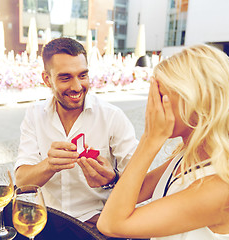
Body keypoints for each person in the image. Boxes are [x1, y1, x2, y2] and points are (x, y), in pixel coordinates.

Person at [97, 44, 229, 240]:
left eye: (160, 97)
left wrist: (149, 140)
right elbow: (139, 190)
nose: (152, 107)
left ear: (197, 101)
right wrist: (112, 178)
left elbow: (110, 224)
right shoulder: (189, 154)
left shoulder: (221, 187)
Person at [14, 37, 138, 227]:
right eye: (65, 77)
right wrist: (50, 165)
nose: (77, 87)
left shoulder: (112, 116)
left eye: (83, 75)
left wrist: (113, 178)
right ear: (47, 79)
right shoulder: (34, 115)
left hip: (97, 221)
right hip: (49, 220)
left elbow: (139, 180)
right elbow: (22, 182)